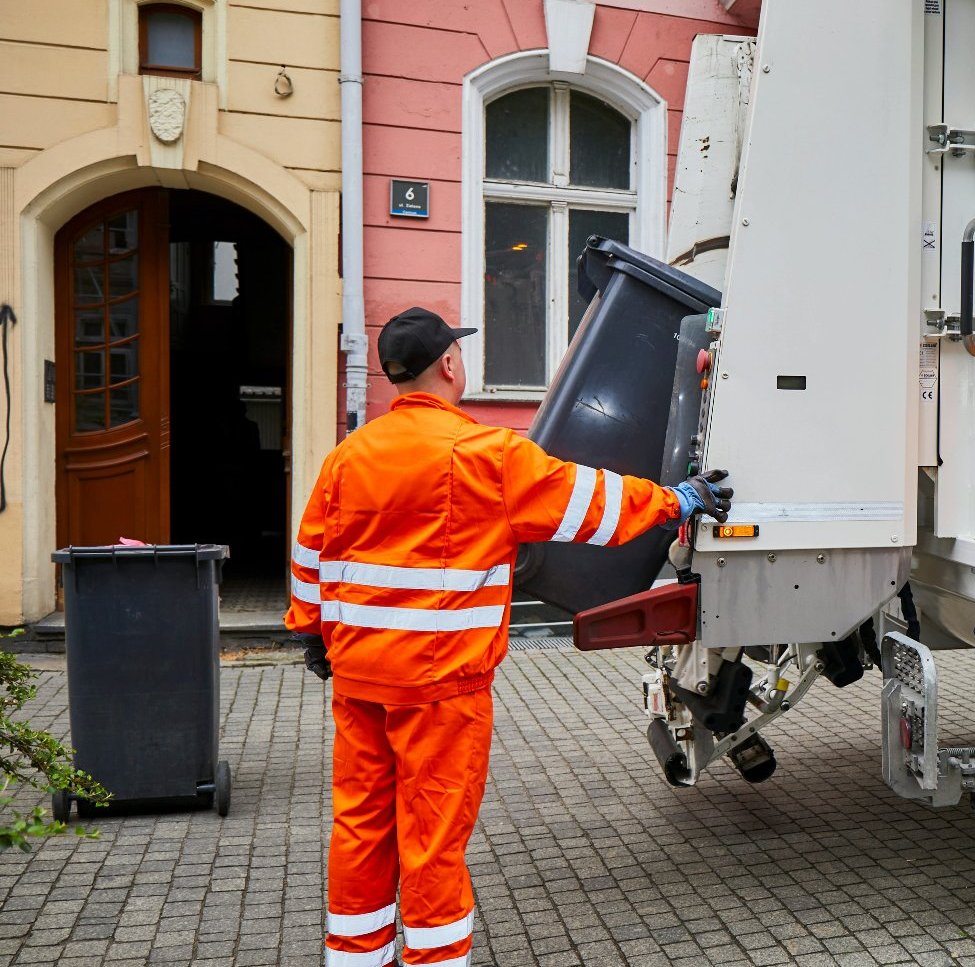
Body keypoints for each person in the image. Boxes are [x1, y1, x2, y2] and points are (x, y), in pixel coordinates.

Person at [285, 307, 731, 967]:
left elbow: (310, 557)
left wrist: (313, 633)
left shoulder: (347, 458)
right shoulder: (487, 455)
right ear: (449, 364)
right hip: (442, 690)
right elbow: (595, 505)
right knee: (431, 838)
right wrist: (680, 499)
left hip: (358, 681)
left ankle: (356, 957)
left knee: (360, 827)